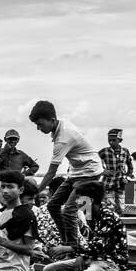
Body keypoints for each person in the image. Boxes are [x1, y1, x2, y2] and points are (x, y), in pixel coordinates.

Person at [29, 100, 104, 247]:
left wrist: (36, 191)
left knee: (69, 210)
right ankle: (66, 240)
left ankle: (72, 246)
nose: (38, 128)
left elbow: (51, 173)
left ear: (52, 120)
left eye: (40, 124)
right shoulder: (60, 124)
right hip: (76, 172)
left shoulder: (63, 138)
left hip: (89, 172)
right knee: (52, 205)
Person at [98, 128, 132, 211]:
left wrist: (127, 177)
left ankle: (120, 222)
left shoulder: (125, 152)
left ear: (119, 140)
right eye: (109, 140)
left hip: (121, 183)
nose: (111, 142)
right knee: (110, 207)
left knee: (121, 207)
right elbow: (94, 161)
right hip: (108, 183)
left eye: (114, 140)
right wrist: (102, 171)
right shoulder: (104, 151)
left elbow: (130, 167)